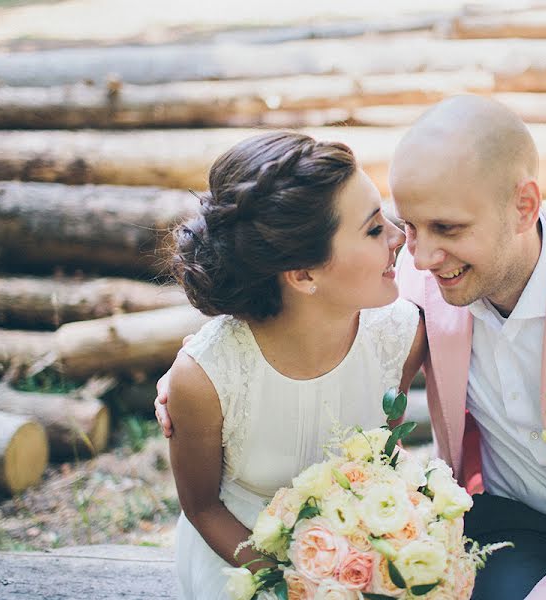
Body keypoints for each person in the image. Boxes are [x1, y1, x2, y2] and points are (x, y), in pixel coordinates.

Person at [158, 97, 546, 599]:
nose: (420, 255)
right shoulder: (407, 287)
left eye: (449, 229)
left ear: (524, 206)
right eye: (405, 225)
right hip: (510, 531)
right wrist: (195, 381)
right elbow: (294, 302)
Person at [161, 130, 425, 600]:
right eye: (372, 229)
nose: (398, 237)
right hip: (239, 553)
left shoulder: (400, 335)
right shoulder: (205, 379)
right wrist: (299, 584)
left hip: (355, 552)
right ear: (304, 274)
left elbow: (382, 457)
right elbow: (202, 509)